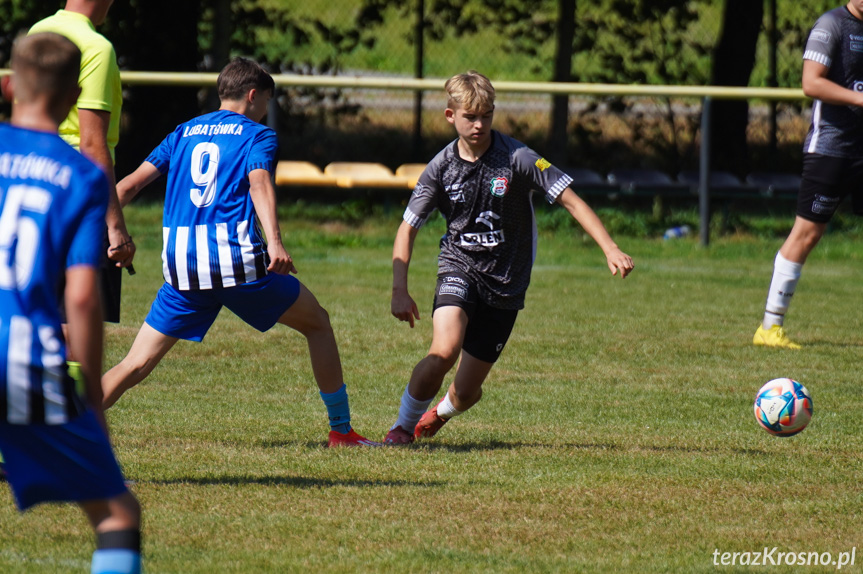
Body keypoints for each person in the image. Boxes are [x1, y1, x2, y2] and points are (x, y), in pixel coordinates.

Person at [100, 57, 379, 447]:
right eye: (266, 100)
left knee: (135, 363)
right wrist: (276, 242)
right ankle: (342, 430)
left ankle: (56, 435)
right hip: (237, 264)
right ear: (253, 95)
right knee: (318, 323)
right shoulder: (256, 134)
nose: (265, 110)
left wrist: (105, 230)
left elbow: (127, 187)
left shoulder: (181, 133)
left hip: (183, 269)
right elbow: (259, 183)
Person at [384, 71, 634, 445]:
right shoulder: (440, 168)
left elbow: (569, 199)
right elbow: (407, 229)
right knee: (444, 350)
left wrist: (610, 247)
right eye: (470, 116)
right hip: (459, 266)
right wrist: (399, 290)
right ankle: (402, 428)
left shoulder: (517, 157)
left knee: (467, 393)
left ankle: (441, 412)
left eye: (486, 114)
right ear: (450, 115)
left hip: (506, 281)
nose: (479, 124)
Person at [0, 32, 141, 574]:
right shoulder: (80, 177)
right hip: (23, 360)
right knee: (115, 513)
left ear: (10, 86)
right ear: (69, 102)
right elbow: (81, 296)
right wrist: (90, 396)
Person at [754, 1, 863, 349]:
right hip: (832, 149)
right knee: (807, 233)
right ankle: (770, 327)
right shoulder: (831, 25)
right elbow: (811, 83)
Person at [30, 0, 136, 327]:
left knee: (36, 311)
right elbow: (92, 142)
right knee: (79, 324)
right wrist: (115, 227)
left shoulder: (39, 32)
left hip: (33, 183)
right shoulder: (96, 47)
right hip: (76, 194)